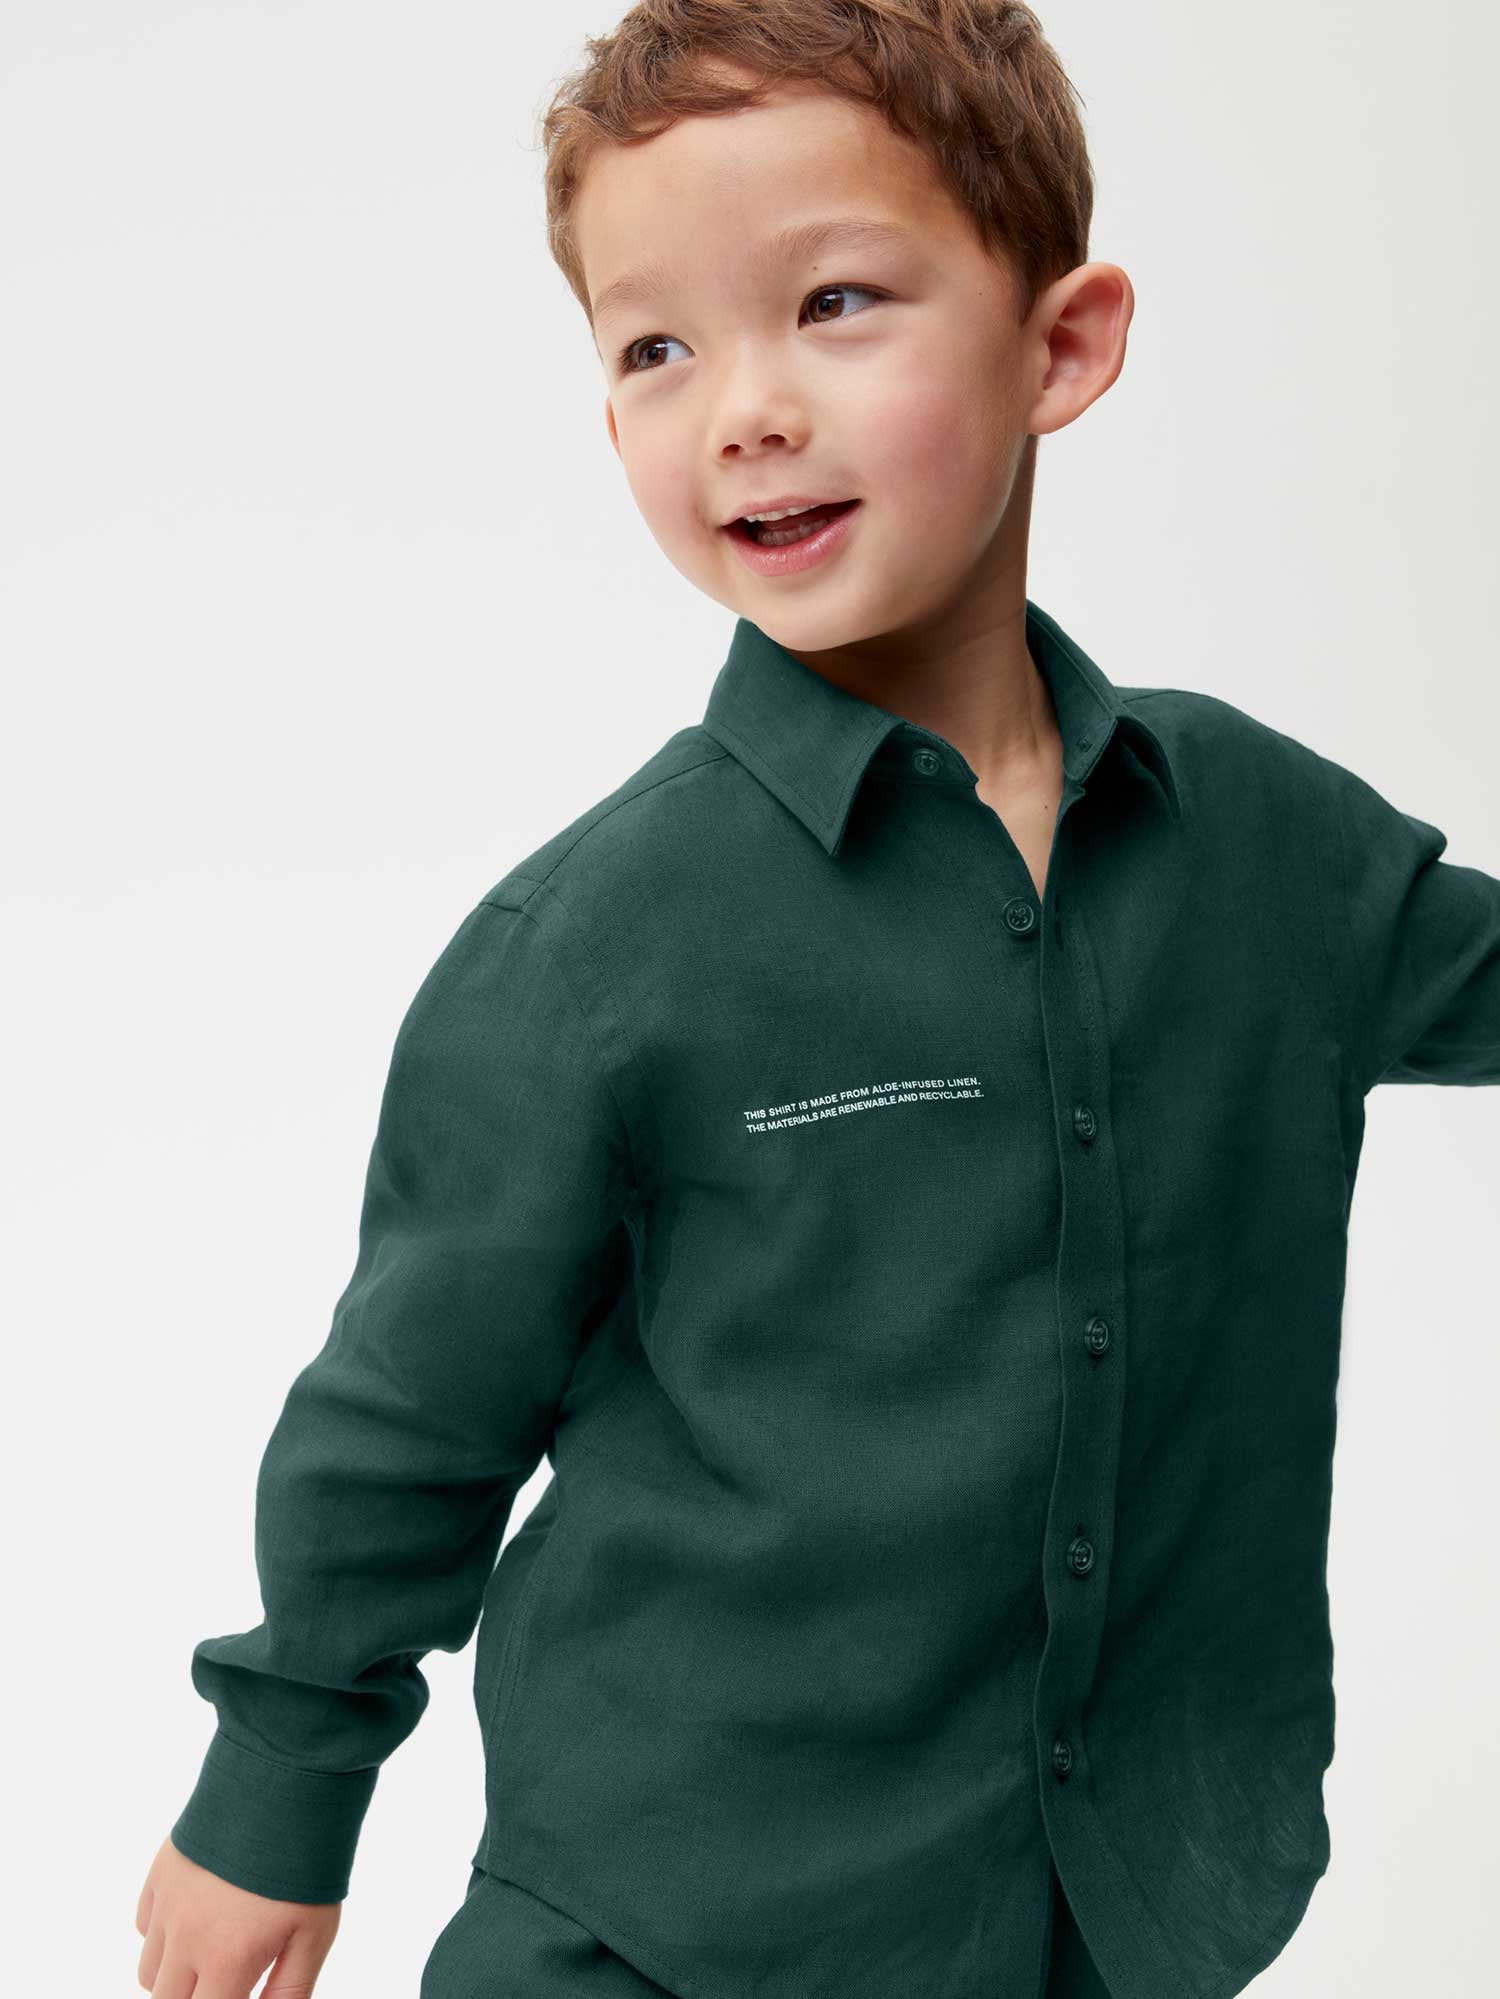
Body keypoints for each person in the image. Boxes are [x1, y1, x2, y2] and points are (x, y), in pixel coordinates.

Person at [134, 4, 1500, 1996]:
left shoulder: (1263, 847)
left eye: (834, 303)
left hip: (1128, 1897)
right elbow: (413, 1409)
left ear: (1061, 346)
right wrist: (277, 1785)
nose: (743, 412)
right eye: (655, 349)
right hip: (670, 1926)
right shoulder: (588, 951)